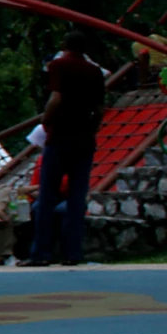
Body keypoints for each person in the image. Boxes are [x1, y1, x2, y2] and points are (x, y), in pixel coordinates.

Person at [31, 29, 107, 265]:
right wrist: (92, 129)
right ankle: (73, 253)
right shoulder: (95, 71)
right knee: (77, 197)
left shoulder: (58, 66)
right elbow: (100, 109)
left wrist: (46, 120)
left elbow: (56, 96)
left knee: (47, 195)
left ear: (64, 46)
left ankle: (41, 253)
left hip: (59, 136)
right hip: (84, 138)